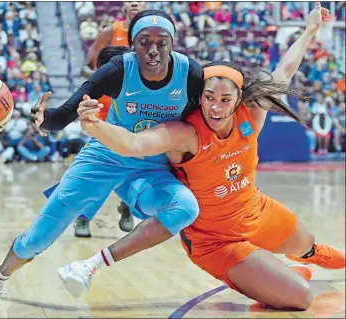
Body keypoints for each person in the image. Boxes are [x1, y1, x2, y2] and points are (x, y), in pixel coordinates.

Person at [64, 3, 344, 310]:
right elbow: (132, 143)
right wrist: (96, 126)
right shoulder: (185, 134)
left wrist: (310, 30)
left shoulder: (251, 115)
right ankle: (270, 277)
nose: (216, 107)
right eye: (209, 98)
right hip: (214, 241)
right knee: (301, 298)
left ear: (238, 99)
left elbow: (285, 70)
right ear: (200, 97)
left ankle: (296, 261)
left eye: (225, 100)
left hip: (256, 211)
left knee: (308, 244)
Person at [0, 10, 205, 303]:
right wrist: (43, 119)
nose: (154, 49)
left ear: (173, 43)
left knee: (184, 207)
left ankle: (90, 264)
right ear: (132, 43)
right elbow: (64, 114)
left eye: (162, 41)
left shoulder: (191, 74)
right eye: (145, 41)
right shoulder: (118, 70)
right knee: (40, 237)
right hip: (105, 156)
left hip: (150, 166)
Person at [75, 1, 146, 237]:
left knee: (133, 163)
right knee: (98, 166)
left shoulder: (154, 37)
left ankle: (126, 206)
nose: (135, 2)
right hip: (107, 110)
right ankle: (83, 217)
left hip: (138, 110)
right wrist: (107, 77)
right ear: (124, 5)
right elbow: (87, 67)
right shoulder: (111, 32)